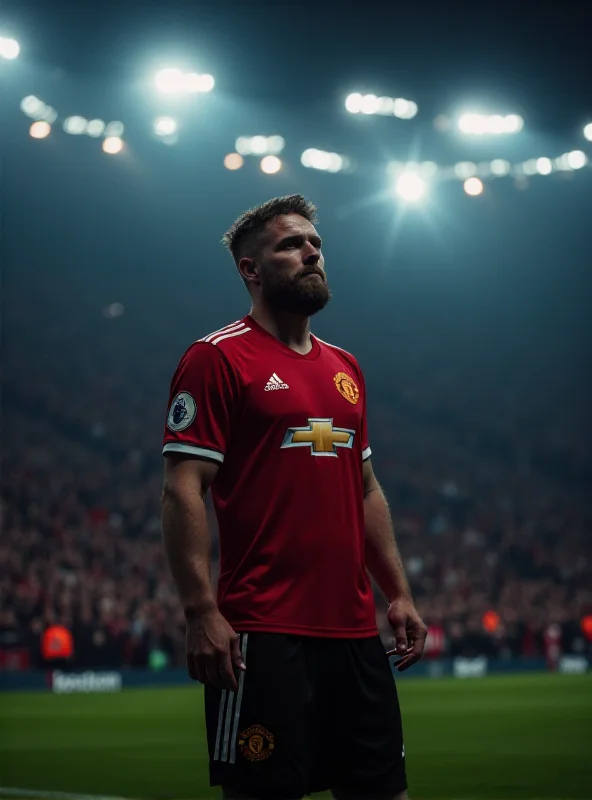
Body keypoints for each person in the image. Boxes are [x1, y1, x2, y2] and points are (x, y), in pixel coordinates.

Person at [161, 195, 427, 800]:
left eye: (315, 243)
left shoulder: (346, 367)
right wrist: (201, 612)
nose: (312, 252)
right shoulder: (216, 358)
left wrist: (399, 593)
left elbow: (365, 489)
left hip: (356, 634)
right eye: (291, 244)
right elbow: (183, 488)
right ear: (250, 270)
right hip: (263, 632)